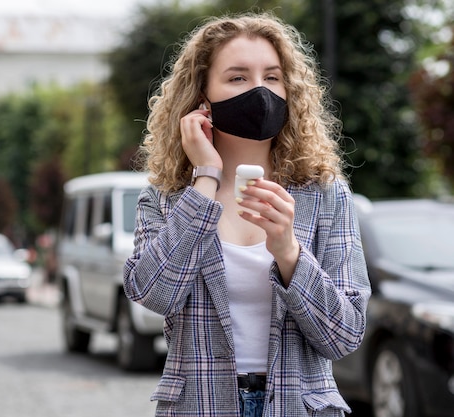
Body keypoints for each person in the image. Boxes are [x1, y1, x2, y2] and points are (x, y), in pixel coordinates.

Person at [123, 12, 371, 417]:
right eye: (238, 77)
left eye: (272, 78)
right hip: (199, 405)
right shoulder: (167, 198)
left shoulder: (326, 195)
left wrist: (289, 251)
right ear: (202, 96)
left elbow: (344, 335)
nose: (260, 92)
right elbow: (154, 294)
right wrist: (205, 177)